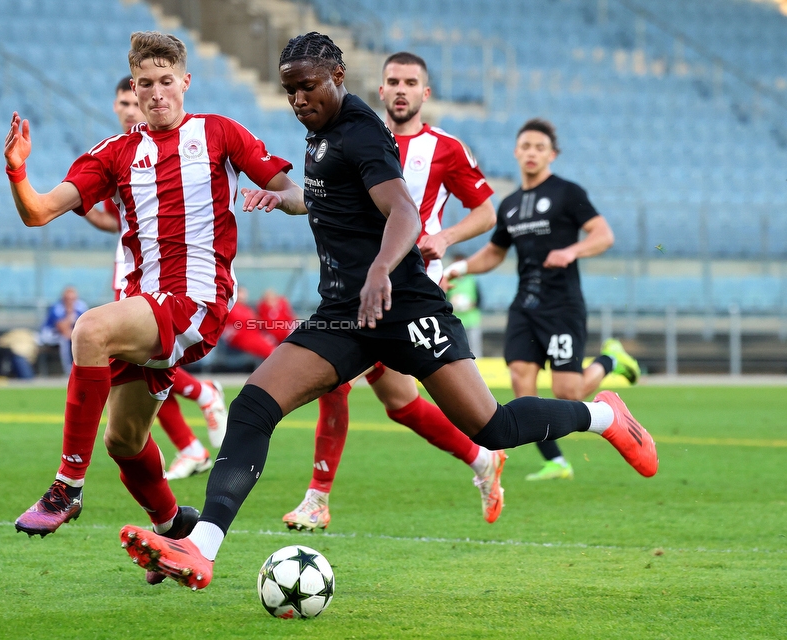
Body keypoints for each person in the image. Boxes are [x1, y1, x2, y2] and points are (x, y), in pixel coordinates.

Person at [120, 32, 658, 591]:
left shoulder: (359, 131)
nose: (299, 100)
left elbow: (401, 209)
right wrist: (282, 199)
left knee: (491, 427)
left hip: (402, 306)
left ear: (339, 77)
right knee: (254, 406)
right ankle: (201, 547)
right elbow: (327, 193)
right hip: (343, 313)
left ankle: (604, 416)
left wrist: (380, 270)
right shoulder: (320, 131)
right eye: (290, 91)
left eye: (308, 88)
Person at [6, 31, 303, 580]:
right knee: (125, 441)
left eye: (166, 82)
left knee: (90, 330)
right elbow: (39, 213)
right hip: (146, 304)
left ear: (185, 82)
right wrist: (18, 172)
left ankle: (67, 487)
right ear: (134, 89)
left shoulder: (219, 133)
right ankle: (172, 531)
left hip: (198, 299)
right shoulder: (114, 153)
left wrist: (275, 197)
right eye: (146, 84)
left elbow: (298, 195)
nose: (156, 93)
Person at [280, 51, 505, 532]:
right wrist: (284, 199)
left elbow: (488, 211)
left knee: (348, 384)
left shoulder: (445, 148)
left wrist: (444, 238)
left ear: (425, 93)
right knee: (398, 403)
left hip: (412, 289)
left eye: (411, 82)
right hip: (360, 286)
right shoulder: (352, 135)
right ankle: (481, 460)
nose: (401, 89)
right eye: (392, 82)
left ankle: (318, 497)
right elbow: (317, 195)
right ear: (379, 90)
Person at [443, 118, 641, 481]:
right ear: (516, 152)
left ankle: (612, 358)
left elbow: (604, 234)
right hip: (525, 307)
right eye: (526, 146)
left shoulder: (568, 192)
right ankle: (556, 461)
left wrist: (572, 251)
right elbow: (495, 252)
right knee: (520, 378)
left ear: (552, 154)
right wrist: (460, 269)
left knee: (570, 392)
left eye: (539, 147)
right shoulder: (511, 205)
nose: (532, 153)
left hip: (562, 305)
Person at [81, 74, 229, 479]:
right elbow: (116, 221)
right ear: (117, 106)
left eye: (136, 102)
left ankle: (200, 396)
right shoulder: (121, 155)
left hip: (179, 273)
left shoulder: (190, 145)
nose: (132, 109)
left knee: (129, 348)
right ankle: (189, 447)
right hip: (132, 269)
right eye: (125, 104)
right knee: (135, 361)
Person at [39, 286, 88, 374]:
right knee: (64, 340)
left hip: (71, 333)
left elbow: (86, 325)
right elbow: (62, 329)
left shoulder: (81, 306)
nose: (70, 301)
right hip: (51, 334)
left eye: (72, 299)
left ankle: (84, 367)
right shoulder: (57, 308)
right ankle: (69, 370)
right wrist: (69, 315)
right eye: (68, 299)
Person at [444, 254, 482, 358]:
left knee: (475, 347)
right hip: (455, 321)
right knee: (458, 348)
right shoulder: (448, 281)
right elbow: (443, 300)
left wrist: (471, 304)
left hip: (472, 320)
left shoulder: (472, 280)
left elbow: (479, 299)